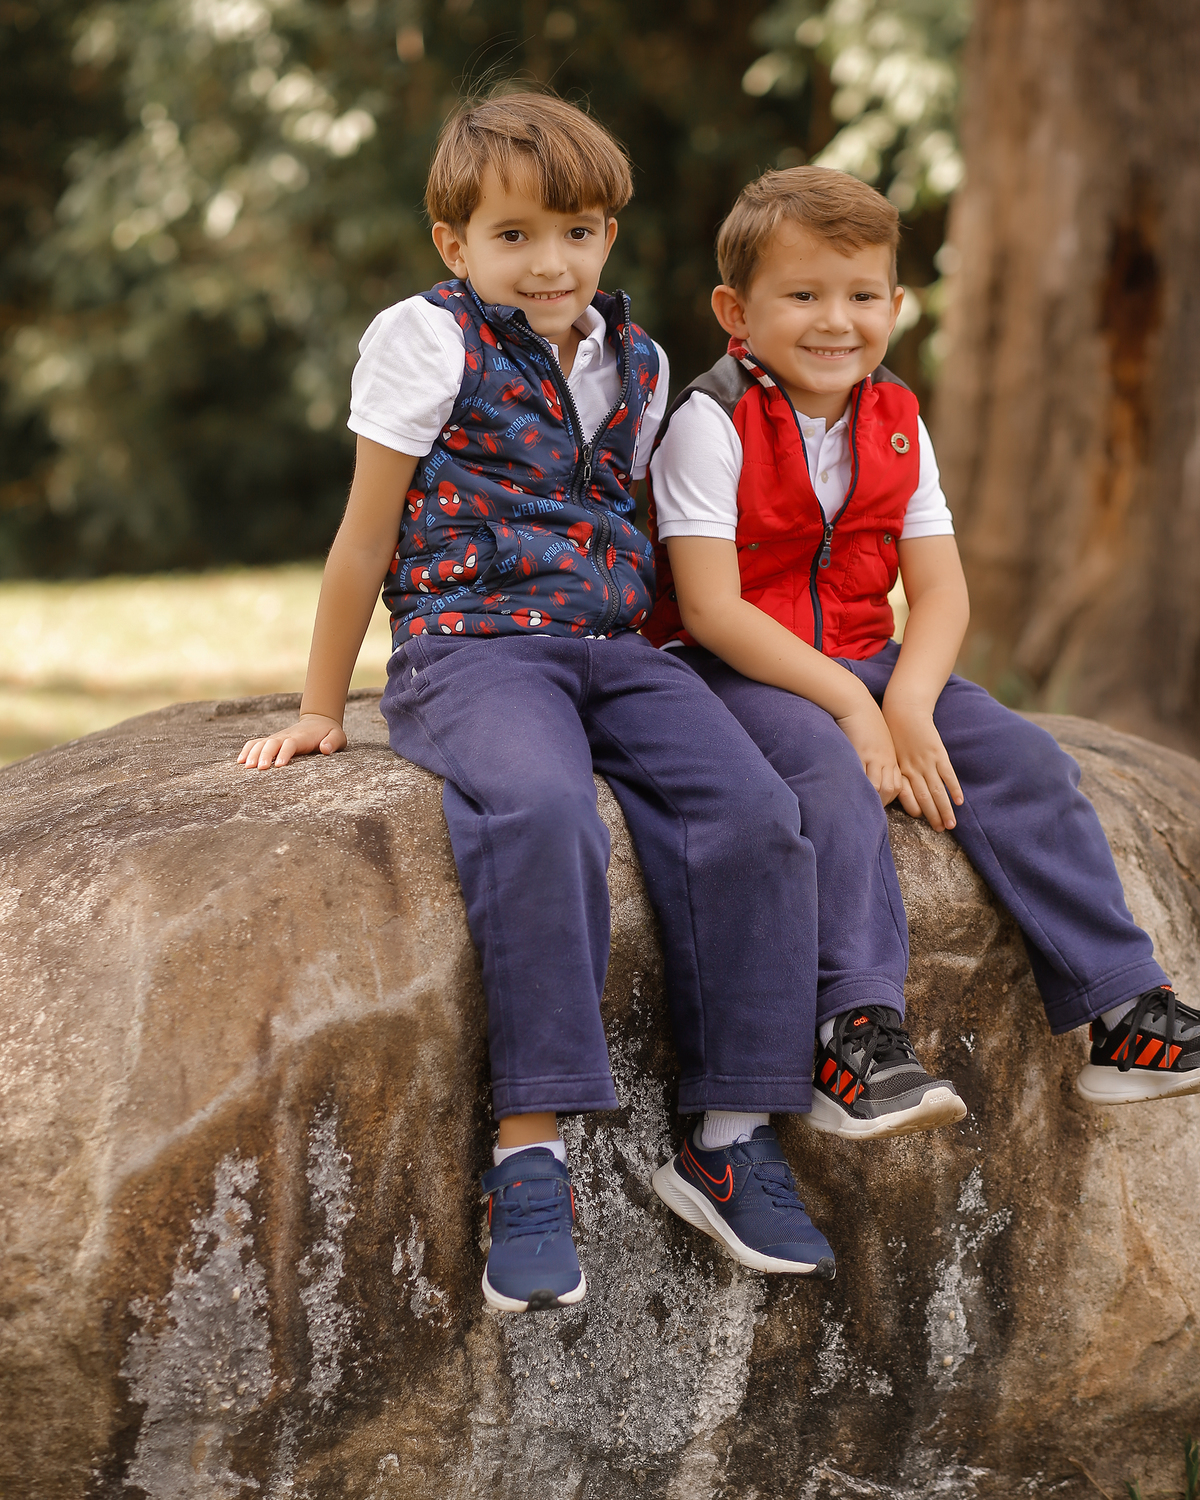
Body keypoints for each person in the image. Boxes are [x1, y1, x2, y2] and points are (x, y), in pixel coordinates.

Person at [239, 94, 839, 1314]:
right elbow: (362, 541)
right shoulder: (426, 339)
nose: (548, 261)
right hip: (472, 652)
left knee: (756, 809)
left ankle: (727, 1138)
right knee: (545, 805)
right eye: (512, 236)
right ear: (455, 245)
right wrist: (322, 705)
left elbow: (644, 530)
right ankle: (532, 1153)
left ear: (608, 235)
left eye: (573, 230)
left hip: (613, 650)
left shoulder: (648, 362)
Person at [644, 165, 1200, 1139]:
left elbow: (940, 590)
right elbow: (713, 609)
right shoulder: (710, 421)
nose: (836, 322)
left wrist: (905, 700)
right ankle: (855, 1033)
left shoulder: (896, 420)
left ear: (896, 305)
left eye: (862, 296)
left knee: (1028, 760)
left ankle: (1127, 1012)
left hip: (863, 651)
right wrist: (858, 713)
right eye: (804, 295)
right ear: (737, 310)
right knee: (828, 774)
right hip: (732, 667)